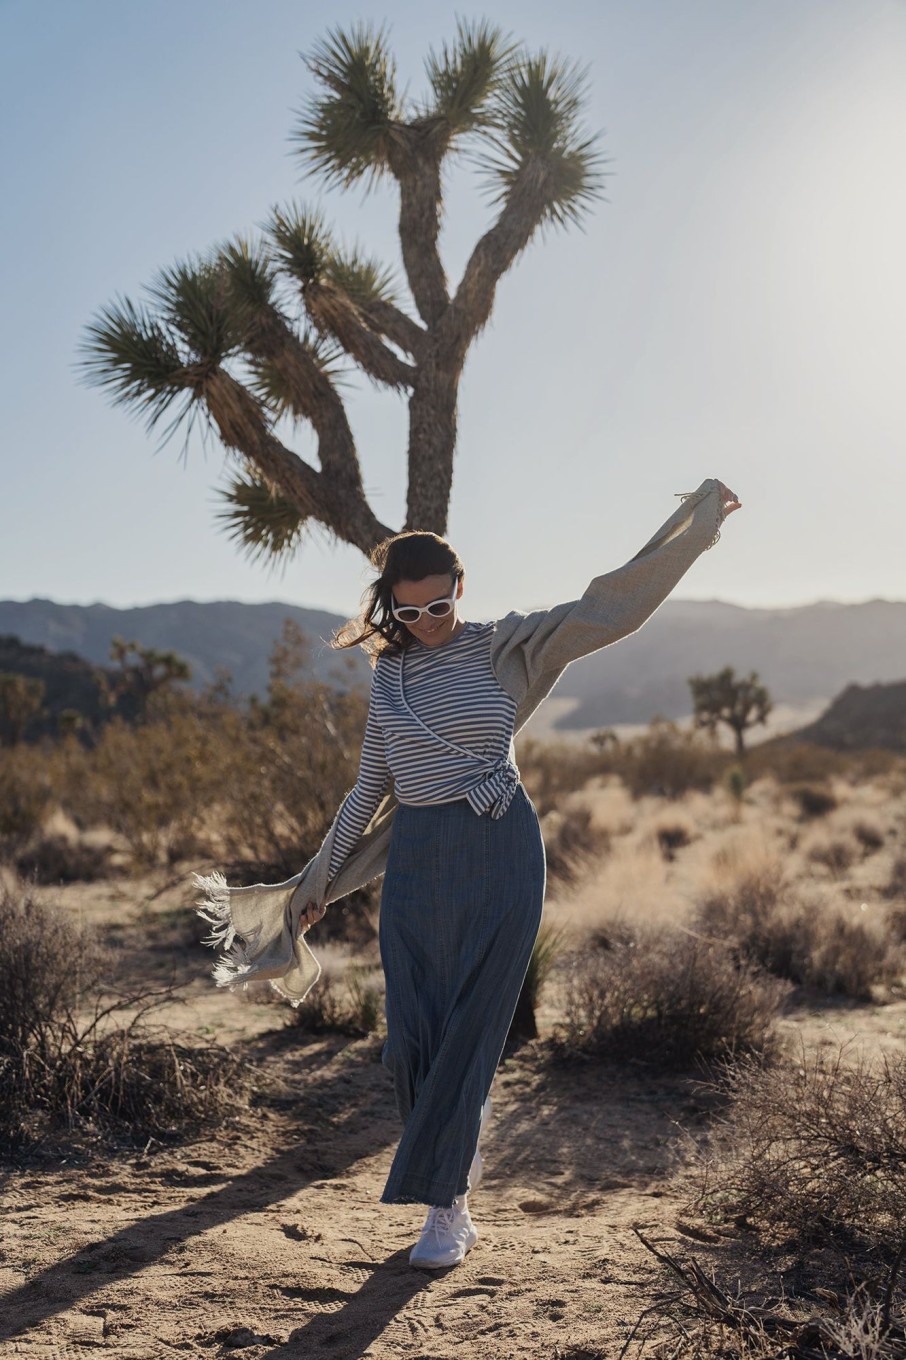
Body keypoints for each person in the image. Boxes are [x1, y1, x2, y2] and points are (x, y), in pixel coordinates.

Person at [287, 478, 742, 1272]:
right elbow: (371, 787)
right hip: (420, 860)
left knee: (471, 1026)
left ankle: (444, 1210)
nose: (429, 623)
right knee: (412, 1039)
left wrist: (695, 531)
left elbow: (610, 606)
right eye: (411, 611)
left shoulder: (507, 643)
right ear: (390, 605)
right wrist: (319, 878)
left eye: (440, 605)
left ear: (460, 589)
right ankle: (453, 1168)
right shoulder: (388, 678)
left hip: (500, 846)